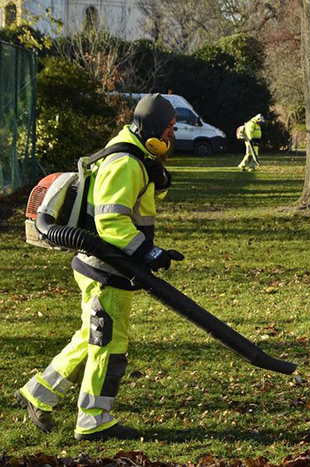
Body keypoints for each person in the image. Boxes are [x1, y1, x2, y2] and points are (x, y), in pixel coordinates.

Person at [15, 93, 184, 441]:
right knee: (109, 344)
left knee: (91, 337)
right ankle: (93, 420)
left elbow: (140, 197)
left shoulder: (135, 153)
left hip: (107, 264)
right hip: (106, 266)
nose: (172, 134)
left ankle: (39, 392)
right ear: (154, 128)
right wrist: (149, 253)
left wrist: (159, 174)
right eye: (169, 127)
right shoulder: (126, 162)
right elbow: (111, 222)